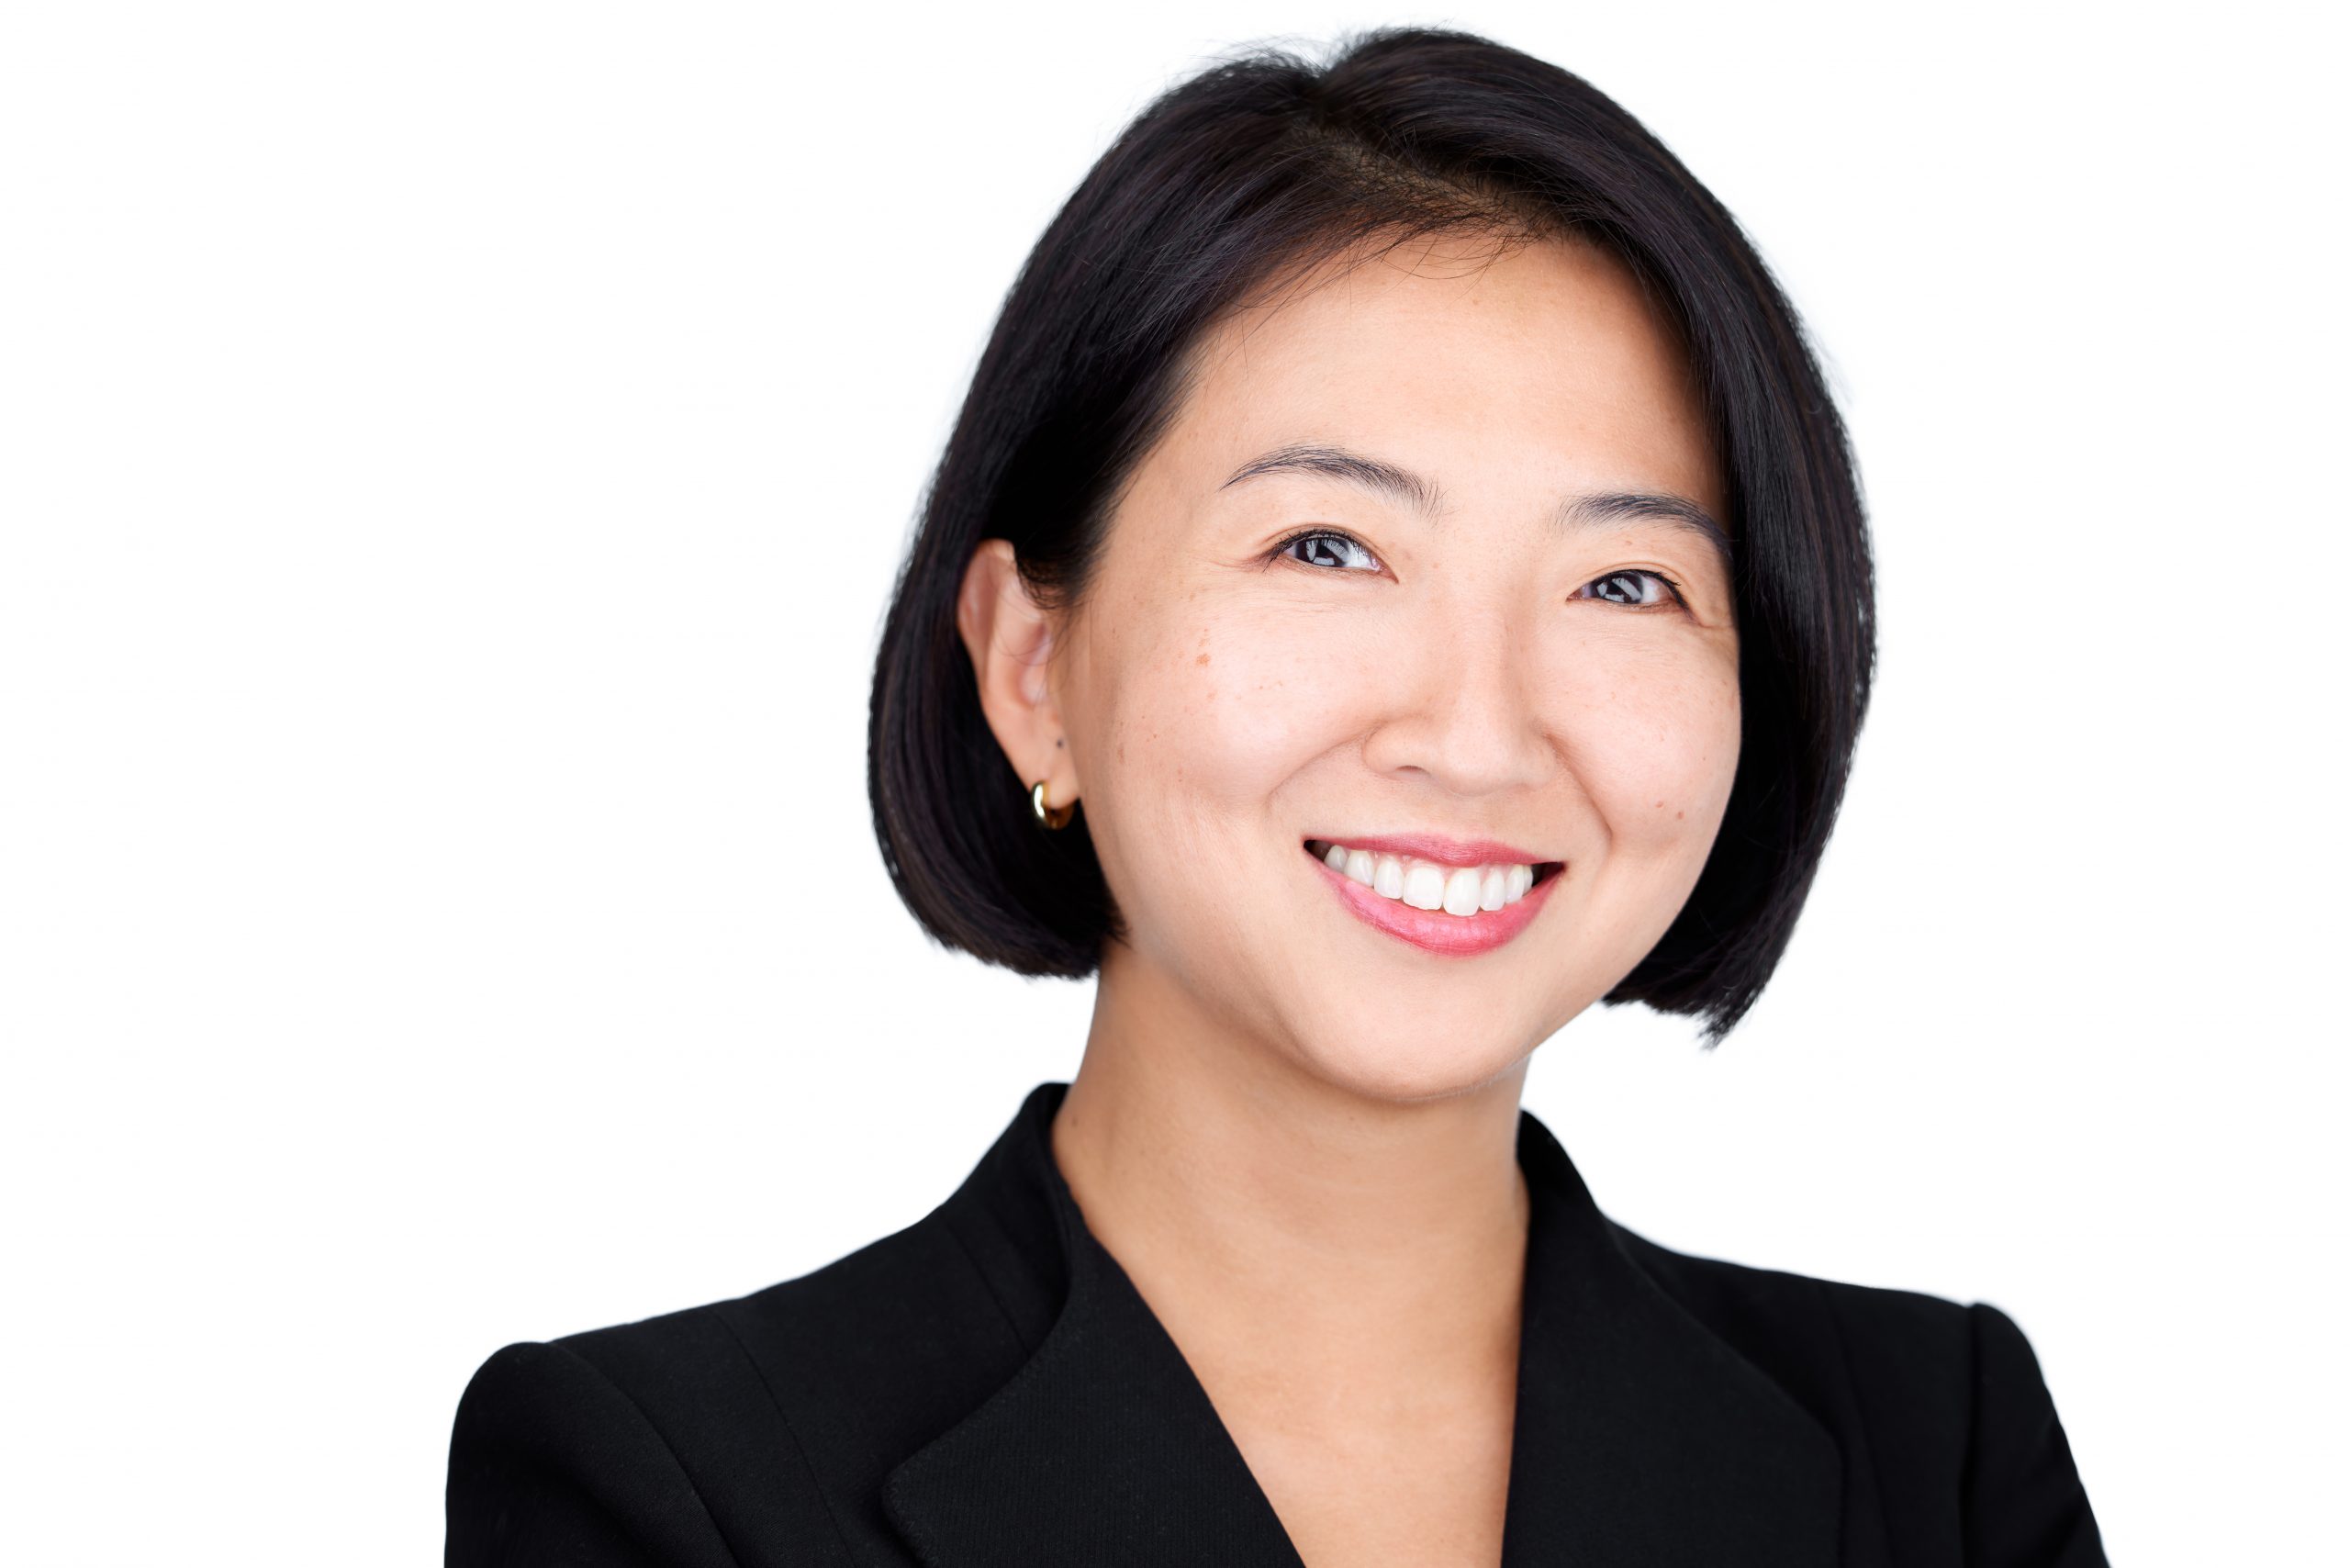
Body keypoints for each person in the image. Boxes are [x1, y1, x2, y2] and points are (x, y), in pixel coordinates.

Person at [444, 26, 2106, 1566]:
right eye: (1329, 547)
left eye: (1624, 583)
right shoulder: (671, 1485)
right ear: (1034, 663)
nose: (1478, 734)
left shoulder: (1933, 1459)